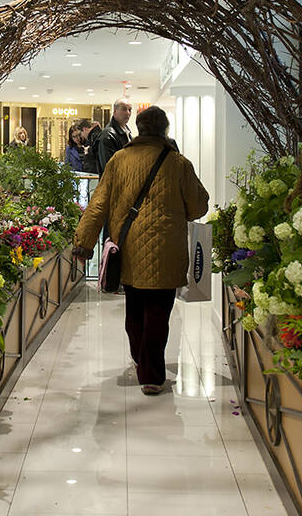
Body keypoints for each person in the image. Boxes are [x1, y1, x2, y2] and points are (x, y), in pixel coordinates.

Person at [72, 106, 209, 395]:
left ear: (139, 128)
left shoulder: (119, 160)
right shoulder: (179, 163)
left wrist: (83, 243)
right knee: (159, 312)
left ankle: (140, 358)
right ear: (165, 130)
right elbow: (198, 207)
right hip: (168, 251)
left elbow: (98, 204)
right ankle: (152, 375)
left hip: (130, 248)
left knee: (134, 308)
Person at [97, 98, 133, 172]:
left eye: (129, 110)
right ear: (115, 111)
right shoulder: (107, 135)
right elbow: (108, 167)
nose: (127, 113)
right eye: (124, 109)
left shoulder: (127, 132)